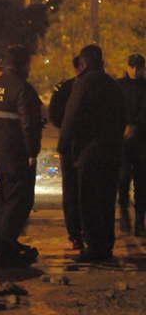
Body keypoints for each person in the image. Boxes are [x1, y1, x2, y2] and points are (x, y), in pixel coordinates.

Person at [58, 45, 125, 262]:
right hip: (113, 149)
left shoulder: (83, 84)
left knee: (88, 201)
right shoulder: (113, 85)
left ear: (84, 63)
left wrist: (63, 144)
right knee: (106, 200)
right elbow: (123, 115)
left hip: (89, 151)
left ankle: (94, 248)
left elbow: (72, 115)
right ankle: (106, 245)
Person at [0, 45, 43, 268]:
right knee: (19, 201)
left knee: (4, 200)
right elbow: (29, 125)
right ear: (22, 64)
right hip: (16, 154)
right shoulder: (23, 89)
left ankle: (6, 245)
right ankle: (6, 249)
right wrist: (32, 152)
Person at [49, 56, 84, 250]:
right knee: (88, 189)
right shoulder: (97, 86)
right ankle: (84, 231)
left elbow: (54, 116)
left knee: (70, 189)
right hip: (87, 144)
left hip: (70, 143)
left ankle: (75, 234)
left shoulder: (64, 88)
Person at [117, 54, 146, 235]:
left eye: (139, 67)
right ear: (128, 67)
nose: (135, 70)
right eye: (133, 66)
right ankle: (125, 216)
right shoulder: (119, 86)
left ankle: (139, 222)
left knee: (142, 184)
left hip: (141, 141)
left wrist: (133, 125)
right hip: (124, 142)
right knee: (123, 180)